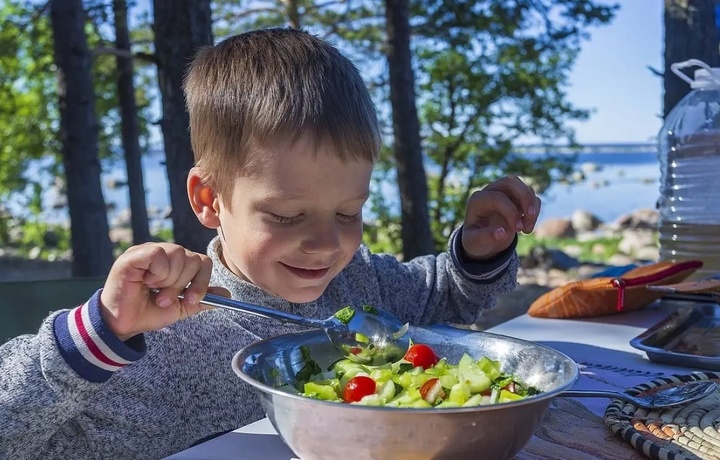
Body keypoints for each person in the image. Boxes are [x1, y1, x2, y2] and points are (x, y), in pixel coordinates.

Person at [0, 28, 540, 459]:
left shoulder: (362, 285)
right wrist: (99, 333)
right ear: (209, 200)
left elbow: (444, 298)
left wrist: (478, 251)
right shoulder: (153, 341)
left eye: (349, 213)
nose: (326, 244)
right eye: (285, 215)